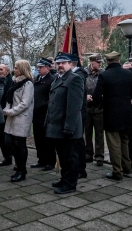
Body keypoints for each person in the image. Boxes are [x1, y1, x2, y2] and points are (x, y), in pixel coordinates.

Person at [93, 51, 132, 181]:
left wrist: (101, 102)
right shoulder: (128, 74)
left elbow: (96, 96)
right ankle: (127, 167)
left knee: (114, 144)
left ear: (107, 61)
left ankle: (117, 171)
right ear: (119, 60)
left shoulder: (104, 75)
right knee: (125, 141)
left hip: (111, 114)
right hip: (126, 113)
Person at [45, 52, 84, 194]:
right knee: (62, 156)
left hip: (68, 127)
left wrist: (69, 127)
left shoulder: (75, 79)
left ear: (70, 64)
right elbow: (52, 104)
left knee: (70, 157)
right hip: (56, 126)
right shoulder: (57, 79)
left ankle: (70, 184)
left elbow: (74, 107)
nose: (60, 65)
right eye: (58, 63)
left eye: (63, 63)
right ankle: (64, 179)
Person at [3, 60, 34, 182]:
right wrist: (6, 109)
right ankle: (18, 165)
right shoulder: (15, 82)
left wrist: (10, 111)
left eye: (16, 68)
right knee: (9, 142)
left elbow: (25, 103)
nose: (14, 70)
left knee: (19, 144)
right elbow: (9, 99)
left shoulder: (28, 84)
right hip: (12, 117)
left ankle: (21, 170)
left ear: (22, 69)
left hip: (22, 118)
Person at [31, 57, 56, 171]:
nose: (38, 69)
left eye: (41, 67)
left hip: (45, 114)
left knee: (47, 140)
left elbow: (52, 98)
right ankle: (41, 159)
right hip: (36, 114)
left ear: (47, 68)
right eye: (38, 67)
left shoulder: (52, 80)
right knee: (38, 139)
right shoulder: (37, 79)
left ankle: (50, 162)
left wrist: (41, 105)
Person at [69, 54, 88, 179]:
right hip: (76, 112)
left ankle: (80, 169)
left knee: (77, 142)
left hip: (78, 113)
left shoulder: (78, 76)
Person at [84, 53, 104, 166]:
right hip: (87, 108)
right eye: (98, 62)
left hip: (99, 107)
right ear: (92, 62)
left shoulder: (103, 74)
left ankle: (99, 156)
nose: (100, 64)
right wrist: (85, 96)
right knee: (87, 133)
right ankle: (88, 154)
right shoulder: (84, 73)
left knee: (99, 133)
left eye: (101, 62)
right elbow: (80, 88)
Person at [0, 63, 13, 167]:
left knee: (6, 138)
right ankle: (7, 157)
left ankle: (9, 157)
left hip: (7, 112)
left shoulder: (10, 82)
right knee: (1, 138)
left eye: (1, 69)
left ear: (7, 71)